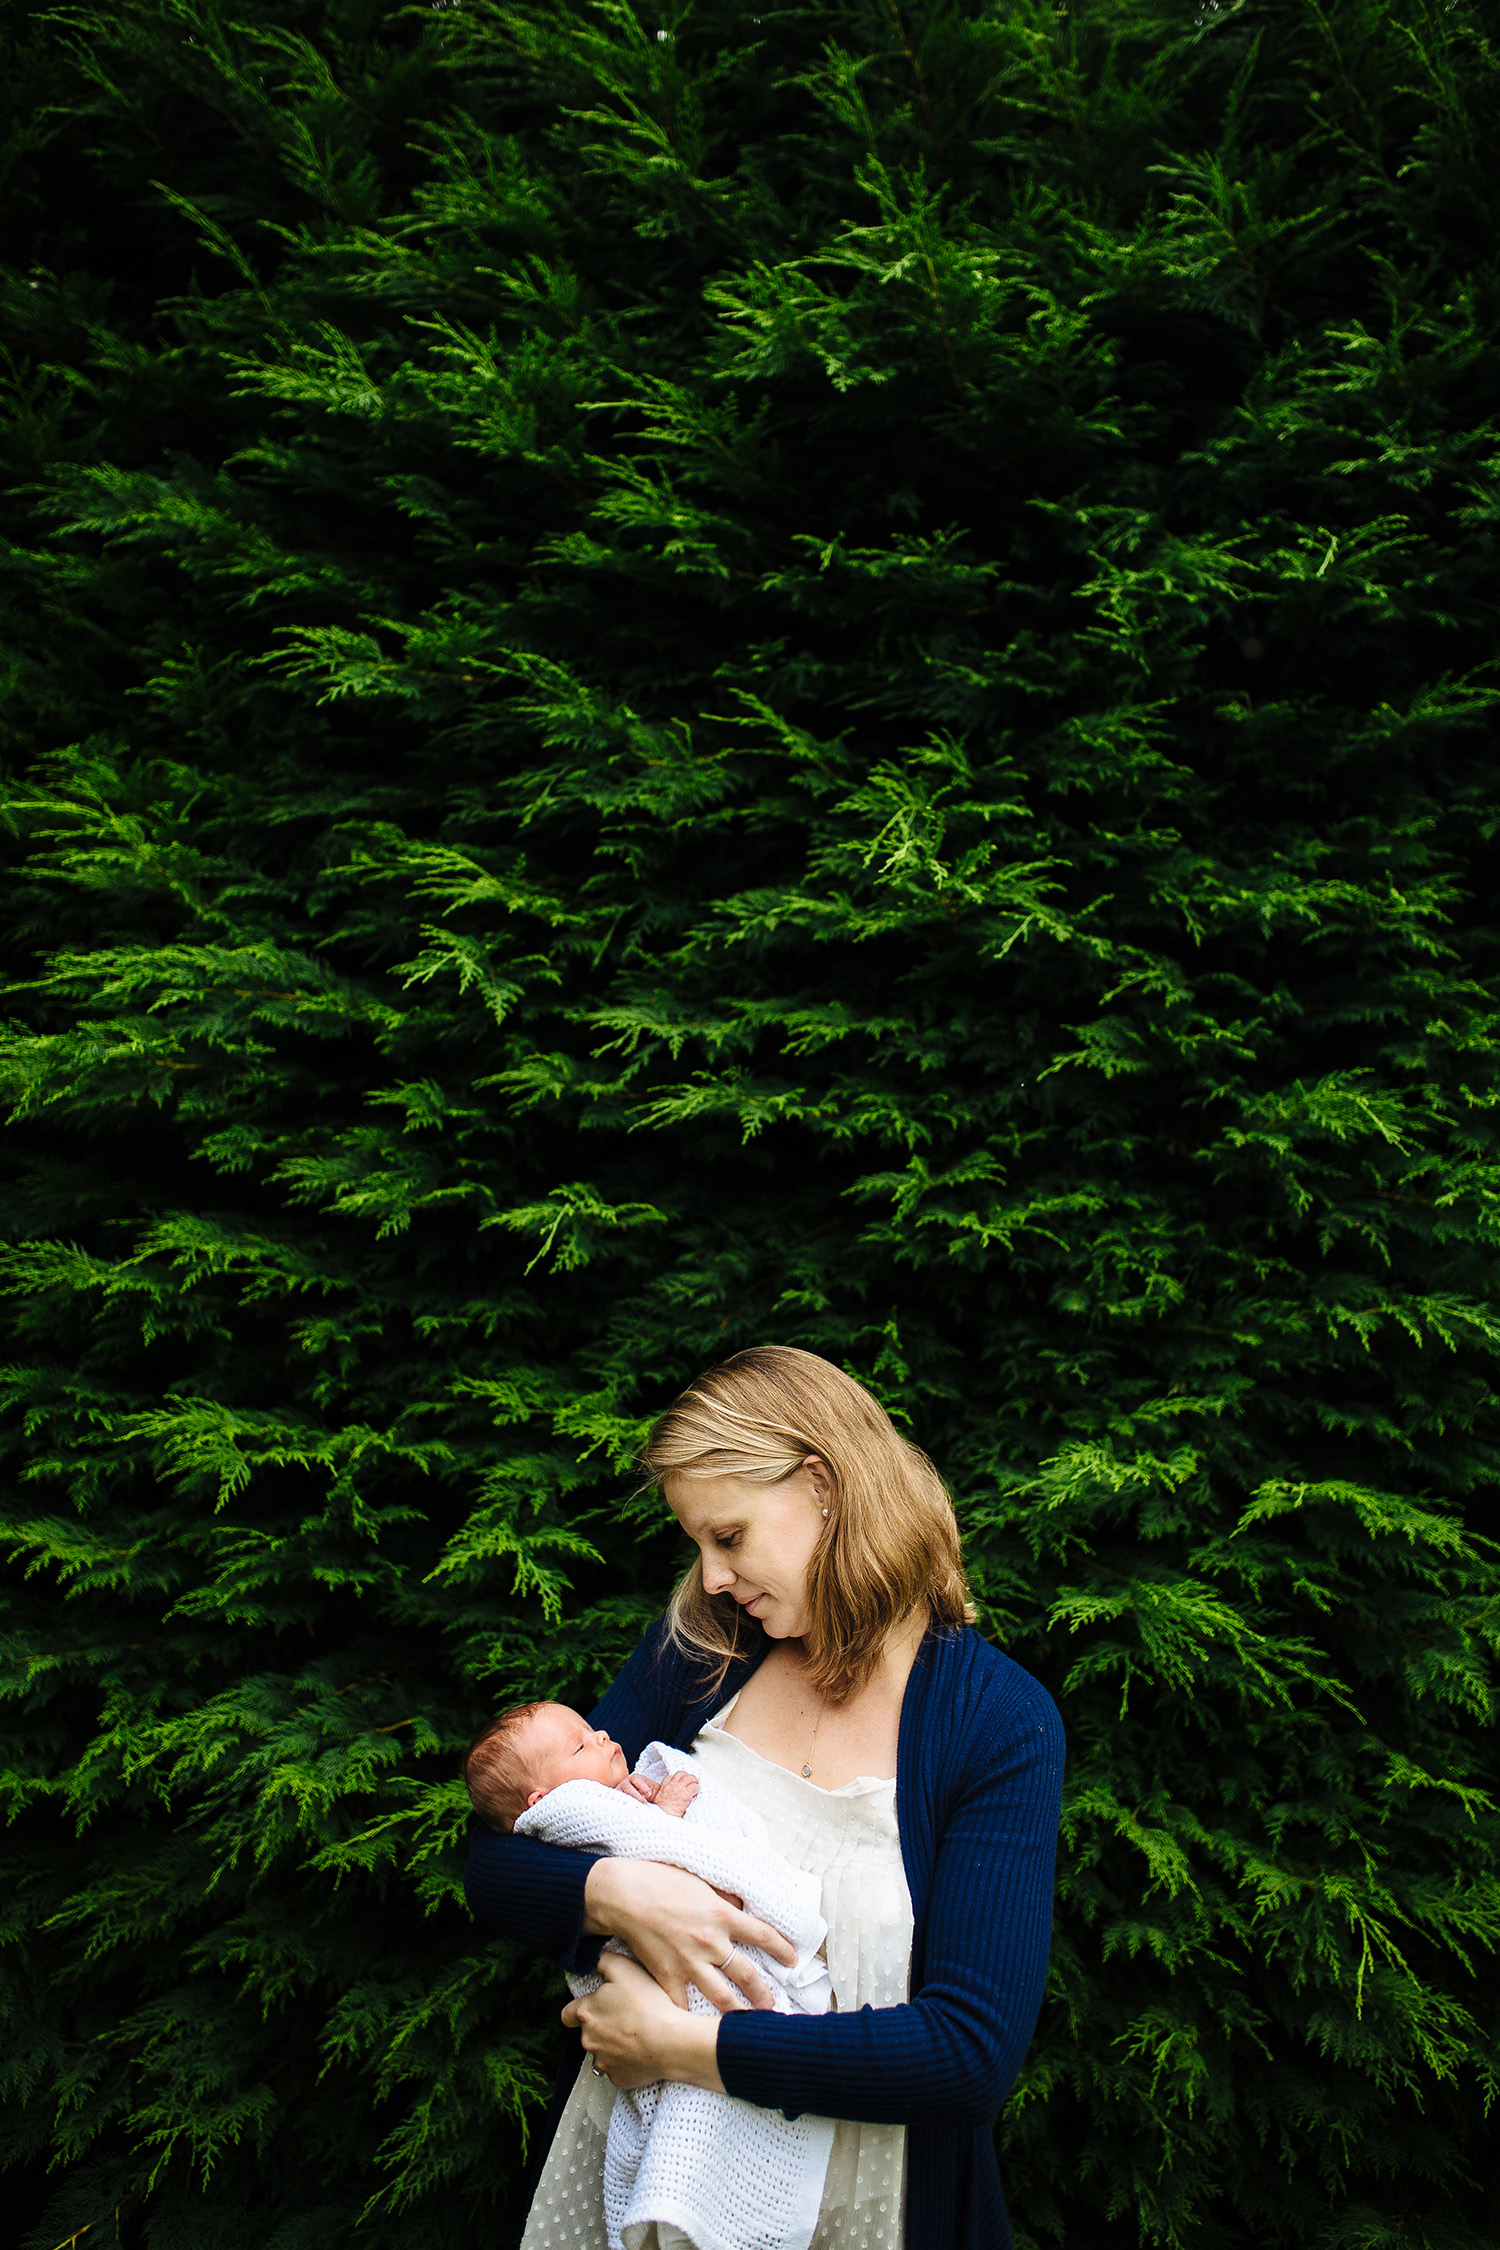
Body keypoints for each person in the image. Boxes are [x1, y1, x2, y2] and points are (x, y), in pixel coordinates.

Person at [464, 1345, 1065, 2250]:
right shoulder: (701, 1652)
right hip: (651, 2189)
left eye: (730, 1537)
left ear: (823, 1487)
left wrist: (680, 2050)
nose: (711, 1577)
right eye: (699, 1545)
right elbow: (501, 1854)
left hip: (874, 2207)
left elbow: (967, 2056)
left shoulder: (998, 1723)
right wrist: (617, 1893)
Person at [464, 1701, 702, 1828]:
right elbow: (643, 1848)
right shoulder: (578, 1826)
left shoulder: (608, 1802)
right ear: (543, 1803)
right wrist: (666, 1810)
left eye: (589, 1729)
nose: (602, 1735)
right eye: (580, 1747)